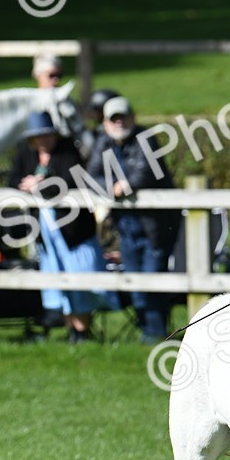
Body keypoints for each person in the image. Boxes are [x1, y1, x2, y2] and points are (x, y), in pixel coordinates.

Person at [10, 111, 114, 343]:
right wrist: (28, 184)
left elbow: (69, 181)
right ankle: (72, 331)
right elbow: (13, 179)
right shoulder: (26, 154)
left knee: (81, 278)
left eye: (48, 135)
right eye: (39, 136)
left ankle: (82, 330)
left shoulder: (68, 152)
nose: (44, 140)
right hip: (45, 232)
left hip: (73, 230)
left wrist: (40, 185)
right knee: (58, 280)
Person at [88, 95, 180, 343]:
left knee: (152, 280)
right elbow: (92, 175)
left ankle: (157, 334)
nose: (119, 122)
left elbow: (147, 172)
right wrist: (111, 187)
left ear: (133, 117)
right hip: (125, 227)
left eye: (123, 117)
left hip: (155, 226)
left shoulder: (146, 139)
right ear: (105, 123)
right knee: (134, 282)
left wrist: (125, 186)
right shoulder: (103, 142)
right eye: (113, 119)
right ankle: (146, 332)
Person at [31, 53, 90, 161]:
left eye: (59, 75)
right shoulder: (30, 104)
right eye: (51, 75)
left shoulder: (69, 102)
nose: (56, 80)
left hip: (68, 156)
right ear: (38, 75)